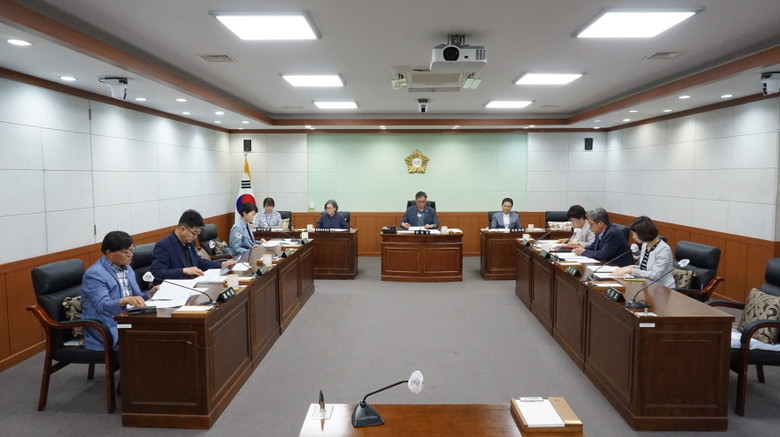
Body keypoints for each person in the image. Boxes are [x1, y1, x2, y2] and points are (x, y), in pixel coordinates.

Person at [82, 231, 156, 351]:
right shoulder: (95, 274)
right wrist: (125, 300)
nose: (131, 255)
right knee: (150, 339)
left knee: (160, 332)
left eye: (132, 250)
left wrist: (149, 294)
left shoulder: (127, 268)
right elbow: (102, 306)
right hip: (106, 326)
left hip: (127, 319)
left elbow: (136, 297)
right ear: (109, 253)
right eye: (126, 252)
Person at [151, 209, 236, 280]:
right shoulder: (164, 245)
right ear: (183, 229)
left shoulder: (189, 242)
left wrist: (221, 264)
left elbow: (198, 261)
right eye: (194, 233)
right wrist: (183, 270)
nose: (195, 237)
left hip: (194, 283)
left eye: (198, 233)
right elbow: (158, 272)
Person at [614, 216, 675, 287]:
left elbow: (655, 275)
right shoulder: (645, 244)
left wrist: (631, 271)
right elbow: (644, 268)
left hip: (663, 288)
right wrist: (629, 268)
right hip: (647, 284)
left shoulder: (664, 249)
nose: (633, 237)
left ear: (642, 234)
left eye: (634, 234)